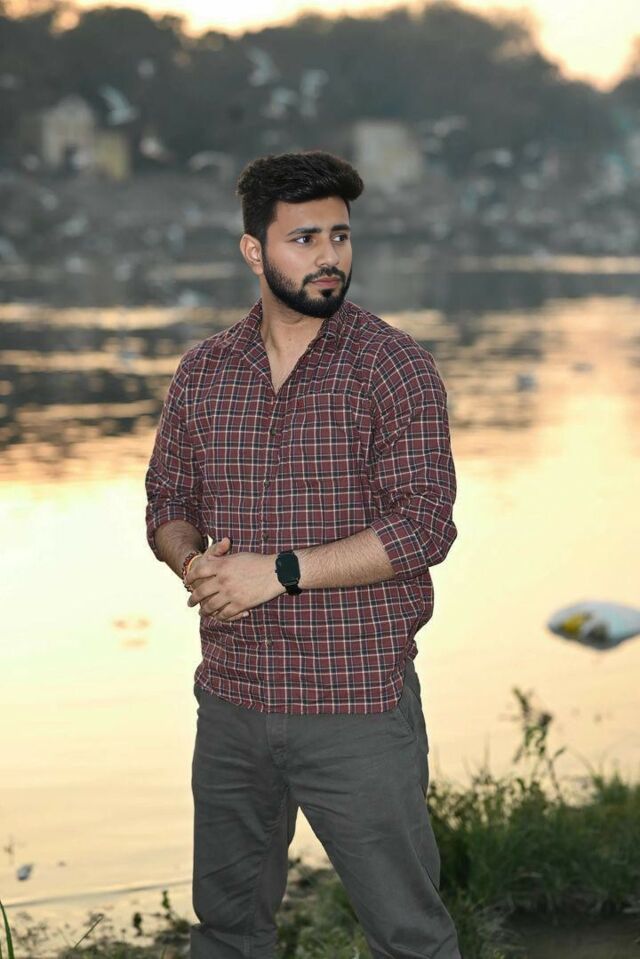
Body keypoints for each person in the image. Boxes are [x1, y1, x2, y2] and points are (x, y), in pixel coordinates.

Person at [145, 150, 462, 959]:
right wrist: (192, 563)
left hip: (356, 703)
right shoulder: (205, 371)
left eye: (340, 236)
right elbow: (167, 503)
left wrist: (278, 572)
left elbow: (425, 525)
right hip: (232, 700)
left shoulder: (393, 366)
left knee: (409, 936)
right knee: (227, 932)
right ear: (254, 250)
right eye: (305, 238)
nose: (329, 257)